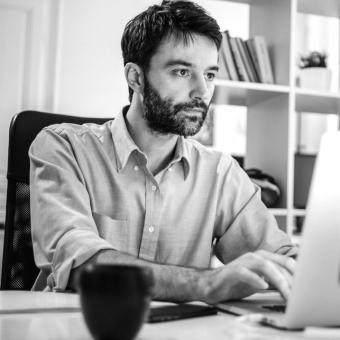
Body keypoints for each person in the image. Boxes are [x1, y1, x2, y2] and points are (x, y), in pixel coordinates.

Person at [29, 0, 297, 303]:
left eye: (209, 75)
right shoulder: (62, 147)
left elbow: (280, 258)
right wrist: (208, 284)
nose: (202, 92)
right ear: (136, 78)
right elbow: (83, 265)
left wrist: (303, 270)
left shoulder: (220, 173)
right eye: (182, 72)